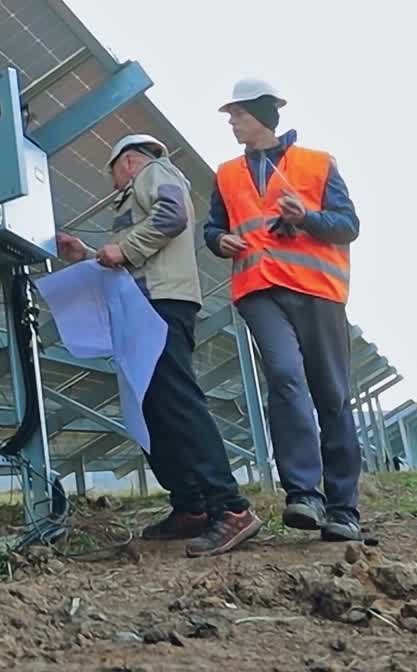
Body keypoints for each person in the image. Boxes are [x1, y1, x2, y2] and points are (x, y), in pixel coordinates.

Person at [58, 134, 262, 556]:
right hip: (146, 302)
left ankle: (231, 508)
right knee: (155, 409)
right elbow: (130, 256)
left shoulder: (156, 172)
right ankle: (191, 507)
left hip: (163, 304)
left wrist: (122, 249)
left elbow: (171, 217)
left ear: (129, 161)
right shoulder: (141, 187)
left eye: (113, 172)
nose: (113, 184)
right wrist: (88, 254)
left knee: (177, 403)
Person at [204, 79, 363, 541]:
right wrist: (218, 240)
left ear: (261, 116)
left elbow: (348, 225)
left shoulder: (317, 163)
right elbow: (214, 227)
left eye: (237, 114)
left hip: (317, 289)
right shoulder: (226, 173)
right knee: (286, 376)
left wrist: (306, 218)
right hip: (259, 289)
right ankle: (304, 496)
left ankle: (343, 509)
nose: (232, 123)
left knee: (330, 395)